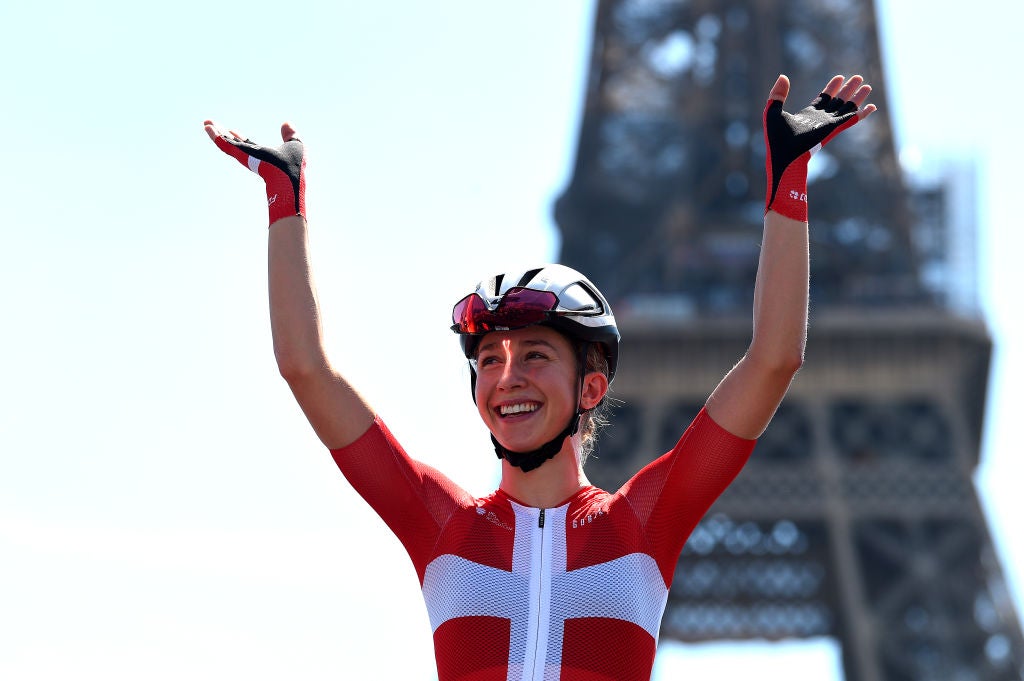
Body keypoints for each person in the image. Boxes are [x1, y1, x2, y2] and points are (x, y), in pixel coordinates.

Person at [204, 72, 875, 680]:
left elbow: (774, 358)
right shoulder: (440, 523)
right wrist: (283, 201)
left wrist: (789, 182)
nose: (507, 376)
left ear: (591, 387)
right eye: (489, 360)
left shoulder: (643, 520)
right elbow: (304, 367)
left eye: (534, 355)